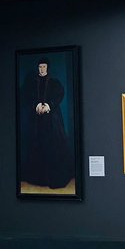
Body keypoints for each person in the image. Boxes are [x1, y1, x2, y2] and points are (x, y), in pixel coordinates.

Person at [20, 58, 74, 189]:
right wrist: (36, 105)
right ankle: (39, 178)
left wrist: (49, 105)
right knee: (37, 144)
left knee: (53, 145)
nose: (42, 69)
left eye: (44, 66)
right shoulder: (32, 83)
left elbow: (59, 95)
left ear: (47, 68)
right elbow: (27, 96)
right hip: (36, 121)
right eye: (40, 67)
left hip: (52, 121)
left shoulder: (55, 82)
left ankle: (54, 178)